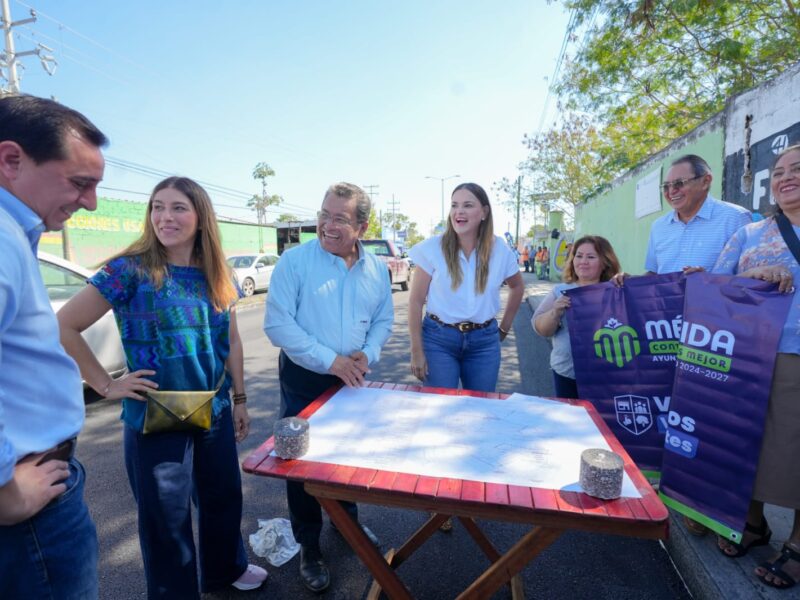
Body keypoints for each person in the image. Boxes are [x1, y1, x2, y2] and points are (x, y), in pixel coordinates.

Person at [57, 177, 267, 597]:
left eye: (177, 208)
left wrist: (240, 398)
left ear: (200, 217)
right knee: (165, 522)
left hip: (214, 409)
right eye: (157, 207)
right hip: (155, 417)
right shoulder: (130, 270)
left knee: (223, 499)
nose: (164, 217)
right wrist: (104, 384)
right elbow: (64, 325)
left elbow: (232, 340)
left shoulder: (217, 272)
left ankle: (225, 569)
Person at [264, 182, 393, 593]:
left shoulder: (376, 269)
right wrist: (330, 360)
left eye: (339, 218)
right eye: (324, 214)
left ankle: (347, 525)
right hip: (305, 376)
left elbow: (383, 321)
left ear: (362, 226)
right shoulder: (295, 262)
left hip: (353, 375)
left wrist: (367, 353)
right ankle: (309, 545)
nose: (327, 225)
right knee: (300, 463)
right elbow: (278, 324)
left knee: (345, 456)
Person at [0, 95, 105, 599]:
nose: (90, 203)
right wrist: (4, 492)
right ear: (11, 159)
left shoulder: (16, 234)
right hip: (27, 511)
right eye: (80, 183)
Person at [712, 144, 800, 590]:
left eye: (797, 169)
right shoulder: (749, 234)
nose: (786, 177)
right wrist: (753, 275)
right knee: (747, 439)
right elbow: (714, 284)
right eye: (780, 170)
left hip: (796, 354)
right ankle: (753, 522)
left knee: (795, 446)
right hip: (747, 351)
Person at [408, 182, 523, 392]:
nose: (458, 211)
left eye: (468, 205)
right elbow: (415, 301)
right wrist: (417, 349)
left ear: (484, 212)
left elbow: (517, 287)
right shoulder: (432, 248)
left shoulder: (501, 251)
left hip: (484, 343)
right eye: (454, 205)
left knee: (480, 410)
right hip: (438, 341)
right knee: (439, 407)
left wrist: (504, 328)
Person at [532, 236, 622, 399]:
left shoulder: (617, 290)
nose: (583, 261)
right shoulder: (560, 291)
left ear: (605, 262)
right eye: (578, 256)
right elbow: (540, 328)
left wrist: (627, 284)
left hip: (608, 374)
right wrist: (555, 312)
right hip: (567, 374)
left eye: (591, 257)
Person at [644, 154, 751, 274]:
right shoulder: (658, 227)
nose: (671, 191)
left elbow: (751, 274)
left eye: (679, 183)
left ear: (705, 181)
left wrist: (707, 281)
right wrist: (627, 282)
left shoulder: (736, 218)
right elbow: (653, 274)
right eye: (665, 187)